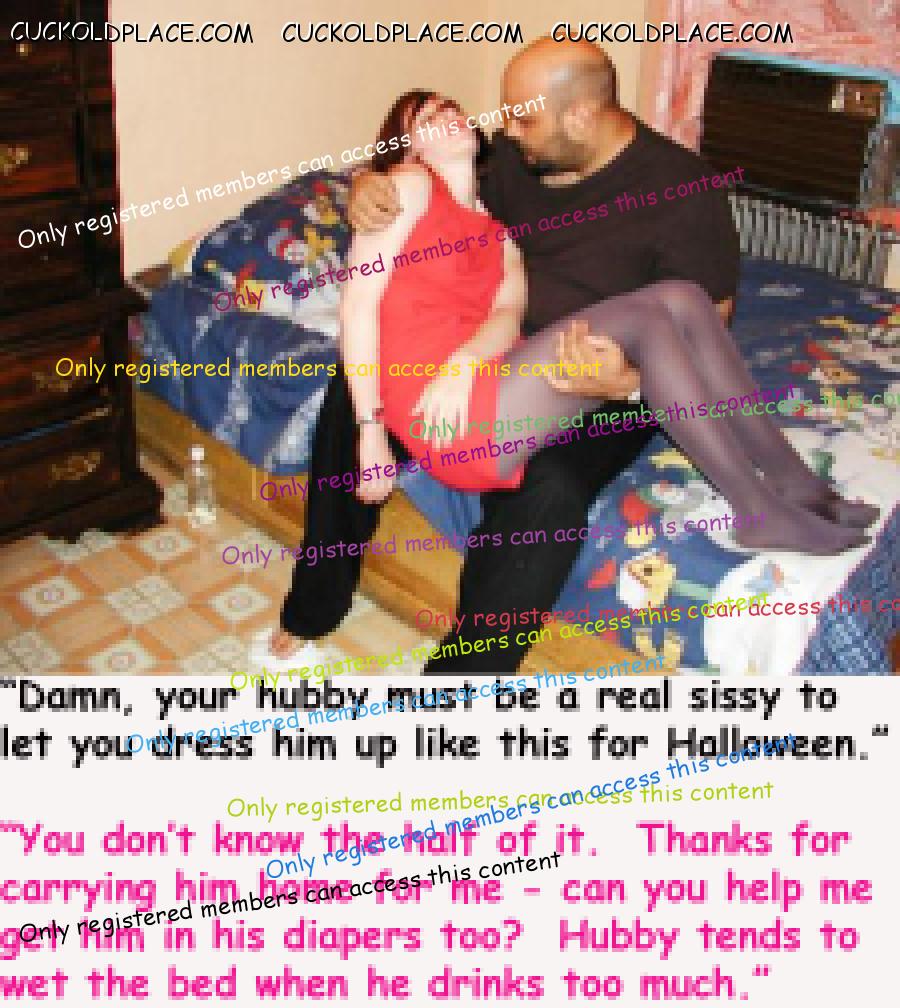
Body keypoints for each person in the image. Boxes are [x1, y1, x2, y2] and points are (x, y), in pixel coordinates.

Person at [270, 38, 875, 669]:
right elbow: (410, 184)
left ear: (581, 116)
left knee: (569, 457)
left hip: (618, 375)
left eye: (524, 119)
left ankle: (463, 680)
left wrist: (627, 383)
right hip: (508, 362)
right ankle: (320, 601)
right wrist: (368, 183)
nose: (507, 131)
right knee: (352, 386)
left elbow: (707, 328)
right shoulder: (511, 161)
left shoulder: (683, 189)